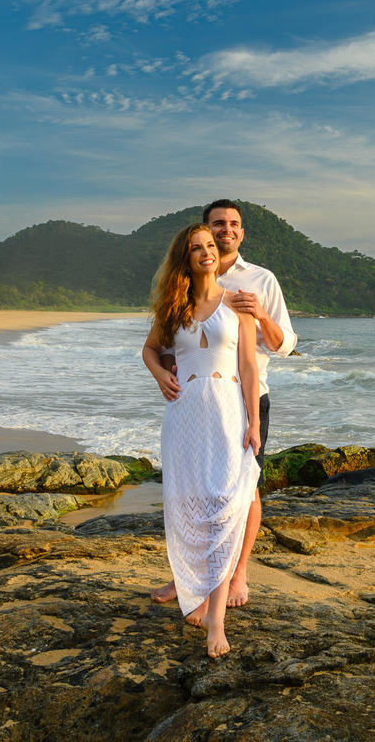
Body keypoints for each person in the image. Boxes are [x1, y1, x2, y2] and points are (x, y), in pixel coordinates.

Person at [151, 199, 297, 609]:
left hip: (246, 397)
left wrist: (261, 315)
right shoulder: (186, 282)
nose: (225, 230)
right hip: (197, 401)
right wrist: (166, 371)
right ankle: (190, 579)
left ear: (241, 232)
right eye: (218, 224)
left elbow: (284, 344)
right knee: (194, 487)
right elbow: (167, 342)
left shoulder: (260, 279)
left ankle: (237, 575)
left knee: (243, 486)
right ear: (205, 232)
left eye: (233, 224)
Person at [142, 223, 261, 658]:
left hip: (228, 411)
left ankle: (216, 619)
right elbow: (150, 350)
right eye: (197, 248)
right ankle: (197, 598)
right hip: (186, 414)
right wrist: (160, 378)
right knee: (191, 505)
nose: (206, 252)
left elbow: (248, 367)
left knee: (226, 503)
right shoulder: (174, 307)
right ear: (186, 258)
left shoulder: (239, 305)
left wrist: (253, 423)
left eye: (211, 245)